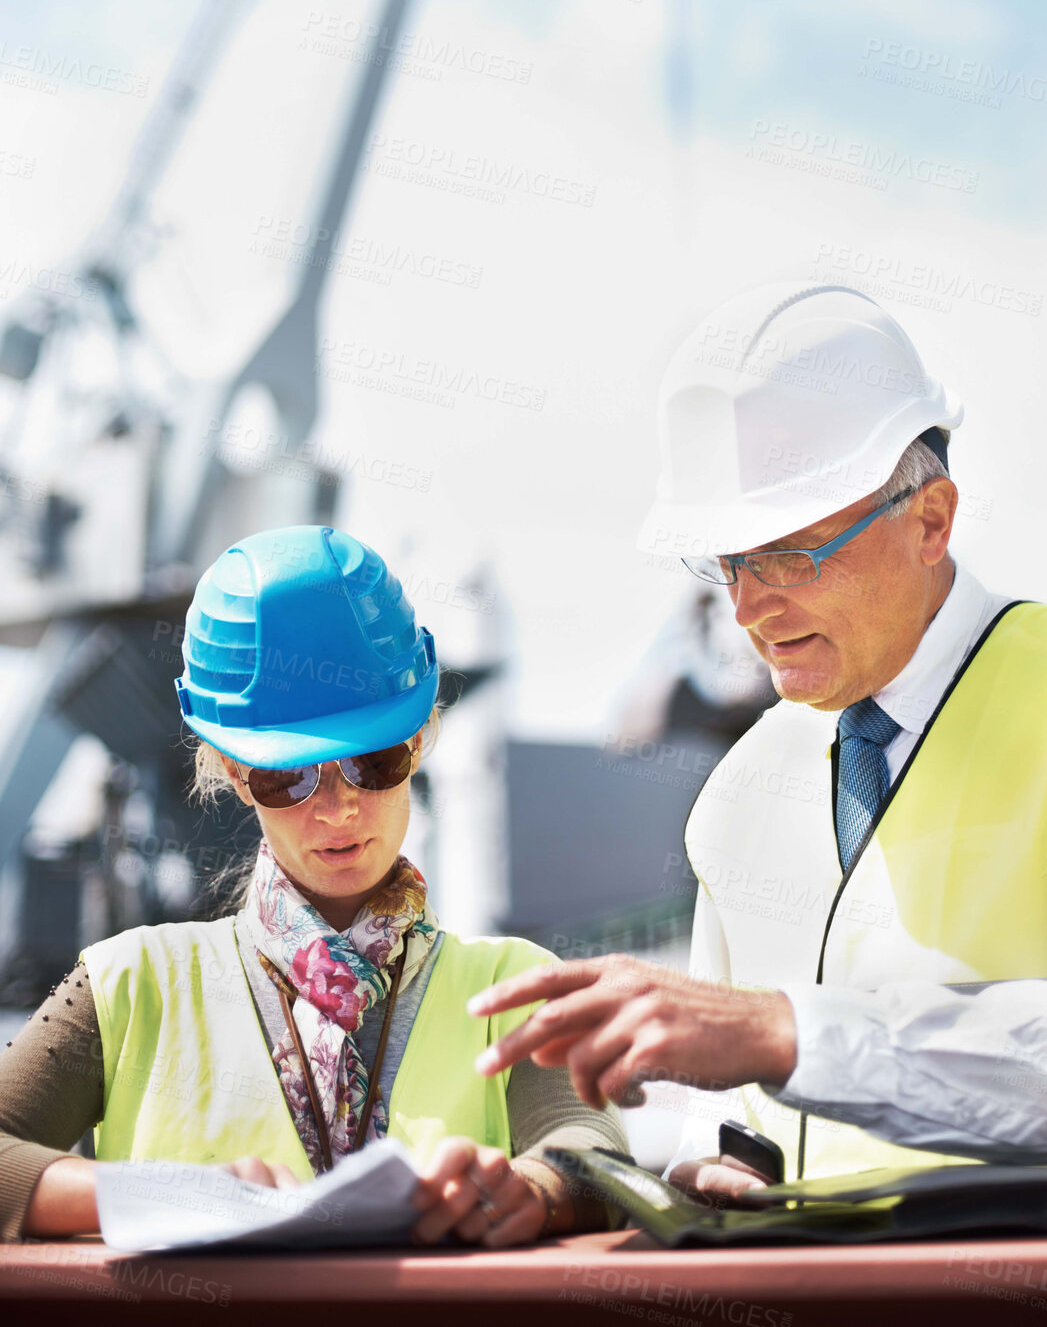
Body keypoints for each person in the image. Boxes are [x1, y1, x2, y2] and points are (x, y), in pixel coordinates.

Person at [468, 281, 1047, 1204]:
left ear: (931, 521)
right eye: (728, 563)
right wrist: (707, 1159)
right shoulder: (742, 790)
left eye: (789, 553)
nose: (749, 607)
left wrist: (793, 1034)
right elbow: (723, 1110)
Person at [0, 524, 625, 1244]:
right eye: (287, 776)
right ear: (236, 775)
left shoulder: (518, 988)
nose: (339, 807)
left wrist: (536, 1189)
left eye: (375, 761)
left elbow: (590, 1151)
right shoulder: (125, 987)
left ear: (419, 740)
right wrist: (143, 1193)